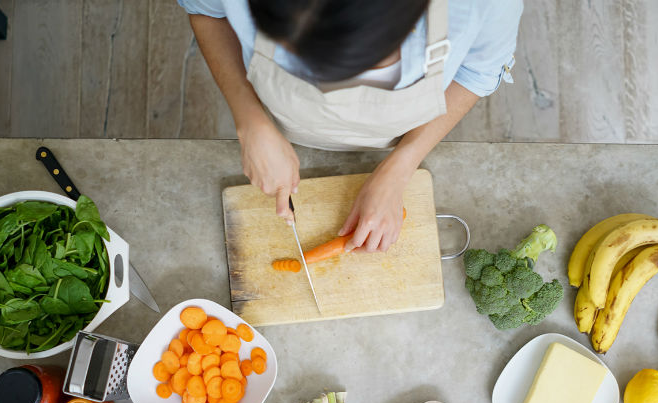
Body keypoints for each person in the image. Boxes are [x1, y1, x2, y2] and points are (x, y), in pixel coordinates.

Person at [179, 0, 523, 252]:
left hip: (403, 134)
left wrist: (402, 165)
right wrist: (249, 119)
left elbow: (476, 73)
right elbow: (206, 12)